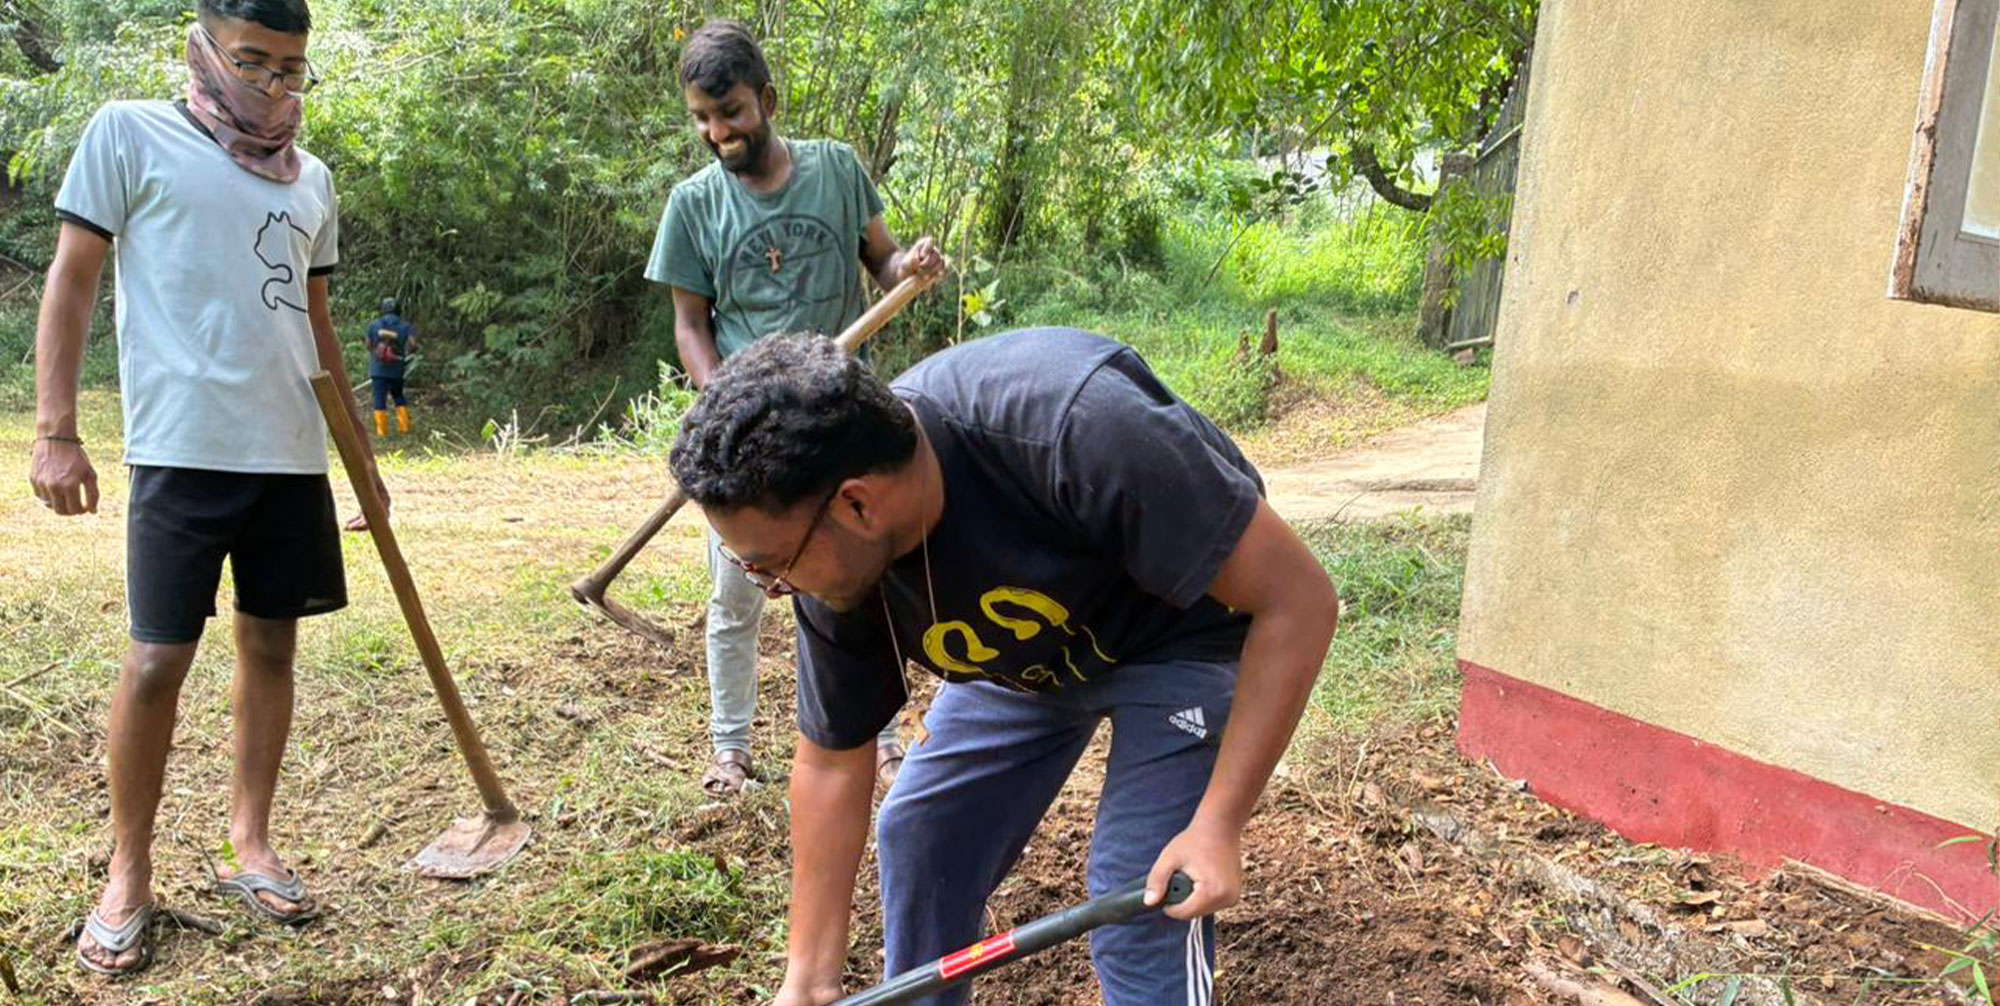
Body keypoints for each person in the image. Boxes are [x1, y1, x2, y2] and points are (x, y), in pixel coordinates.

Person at [667, 329, 1341, 1006]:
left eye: (771, 563)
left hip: (1180, 637)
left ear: (858, 504)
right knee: (921, 833)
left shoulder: (1075, 427)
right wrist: (808, 981)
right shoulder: (833, 562)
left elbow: (1298, 600)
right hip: (1025, 662)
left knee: (1140, 896)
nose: (768, 584)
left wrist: (1218, 826)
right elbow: (832, 761)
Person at [26, 0, 387, 977]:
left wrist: (360, 456)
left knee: (272, 645)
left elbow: (316, 329)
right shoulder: (128, 135)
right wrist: (56, 430)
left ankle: (251, 841)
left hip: (288, 456)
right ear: (203, 45)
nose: (272, 85)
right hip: (180, 455)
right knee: (155, 663)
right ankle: (128, 870)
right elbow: (73, 281)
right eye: (253, 61)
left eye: (291, 69)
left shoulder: (311, 177)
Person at [646, 18, 945, 798]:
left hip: (845, 420)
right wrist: (724, 409)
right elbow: (690, 324)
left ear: (767, 99)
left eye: (733, 113)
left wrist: (906, 265)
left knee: (864, 580)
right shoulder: (693, 206)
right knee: (738, 592)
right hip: (751, 441)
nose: (719, 133)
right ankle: (731, 748)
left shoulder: (838, 171)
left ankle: (881, 739)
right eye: (704, 119)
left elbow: (882, 263)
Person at [366, 296, 415, 437]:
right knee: (399, 397)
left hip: (378, 370)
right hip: (396, 369)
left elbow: (368, 345)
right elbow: (412, 344)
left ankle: (382, 432)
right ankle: (404, 428)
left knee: (379, 399)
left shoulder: (374, 325)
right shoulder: (405, 326)